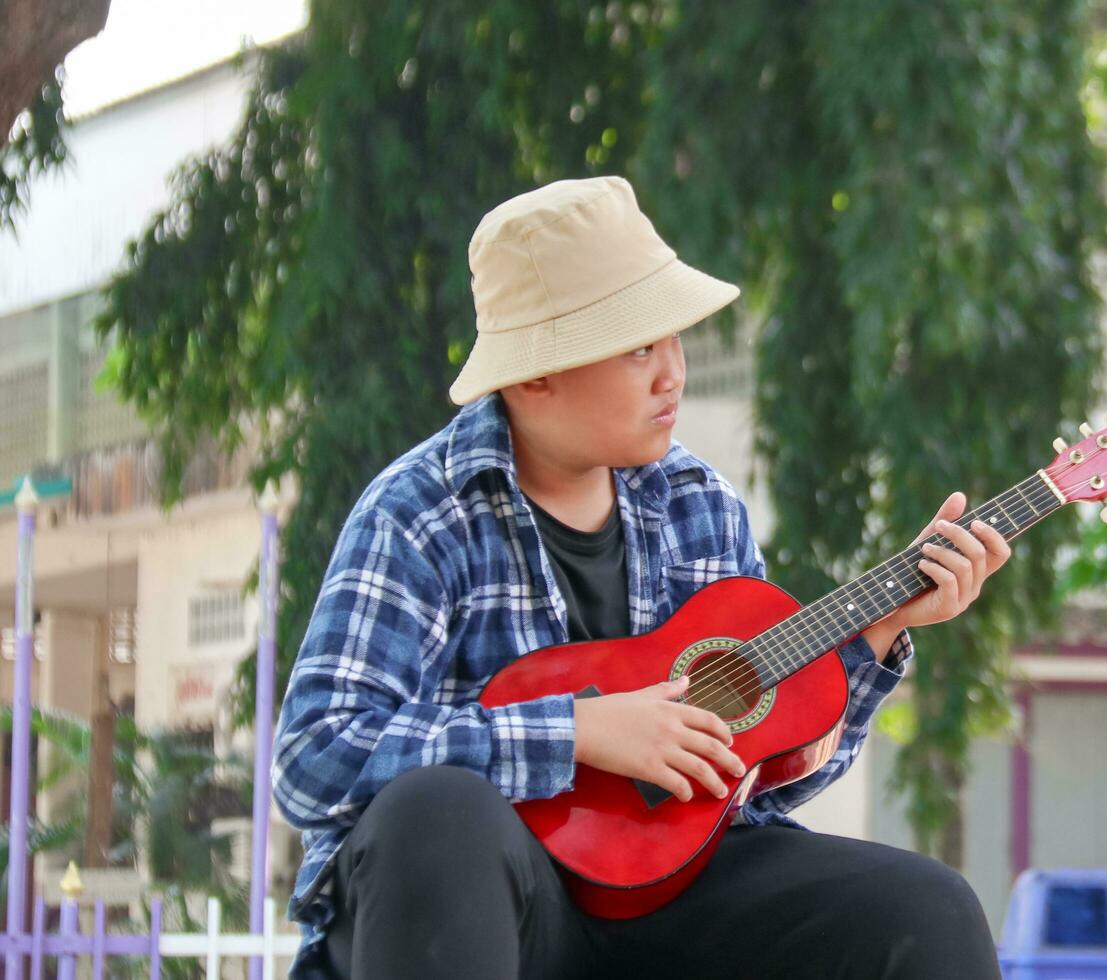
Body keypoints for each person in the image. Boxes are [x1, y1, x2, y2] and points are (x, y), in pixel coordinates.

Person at [272, 176, 1012, 979]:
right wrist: (581, 732)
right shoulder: (418, 514)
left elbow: (752, 789)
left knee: (925, 910)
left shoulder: (702, 508)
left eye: (672, 342)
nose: (674, 374)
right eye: (637, 349)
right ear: (533, 377)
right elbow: (317, 760)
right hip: (495, 915)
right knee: (434, 813)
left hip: (663, 909)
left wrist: (874, 638)